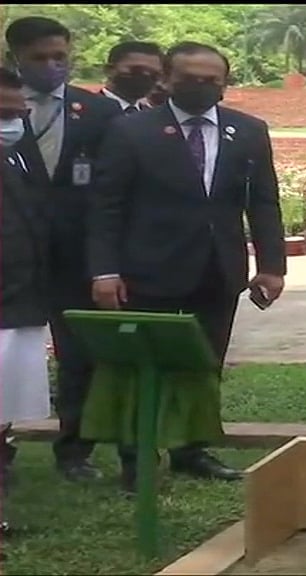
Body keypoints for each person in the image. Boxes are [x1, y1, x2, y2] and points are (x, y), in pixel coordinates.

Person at [88, 41, 287, 492]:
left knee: (203, 365)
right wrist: (104, 271)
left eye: (211, 80)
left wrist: (272, 267)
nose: (201, 87)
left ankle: (191, 450)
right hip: (146, 270)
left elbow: (264, 202)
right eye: (190, 79)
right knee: (142, 367)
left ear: (225, 83)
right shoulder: (131, 131)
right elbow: (106, 207)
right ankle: (136, 459)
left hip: (217, 270)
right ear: (167, 79)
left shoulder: (249, 130)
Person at [4, 16, 121, 483]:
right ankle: (4, 451)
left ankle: (74, 451)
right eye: (39, 58)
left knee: (78, 357)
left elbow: (109, 193)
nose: (52, 66)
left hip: (76, 256)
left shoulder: (97, 113)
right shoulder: (6, 108)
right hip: (14, 258)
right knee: (7, 353)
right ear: (15, 58)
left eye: (60, 57)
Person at [0, 68, 52, 540]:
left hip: (20, 303)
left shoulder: (16, 155)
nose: (14, 120)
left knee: (4, 410)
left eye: (19, 112)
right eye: (3, 113)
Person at [100, 40, 163, 114]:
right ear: (109, 70)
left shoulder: (153, 116)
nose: (146, 76)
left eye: (154, 73)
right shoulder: (88, 111)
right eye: (137, 70)